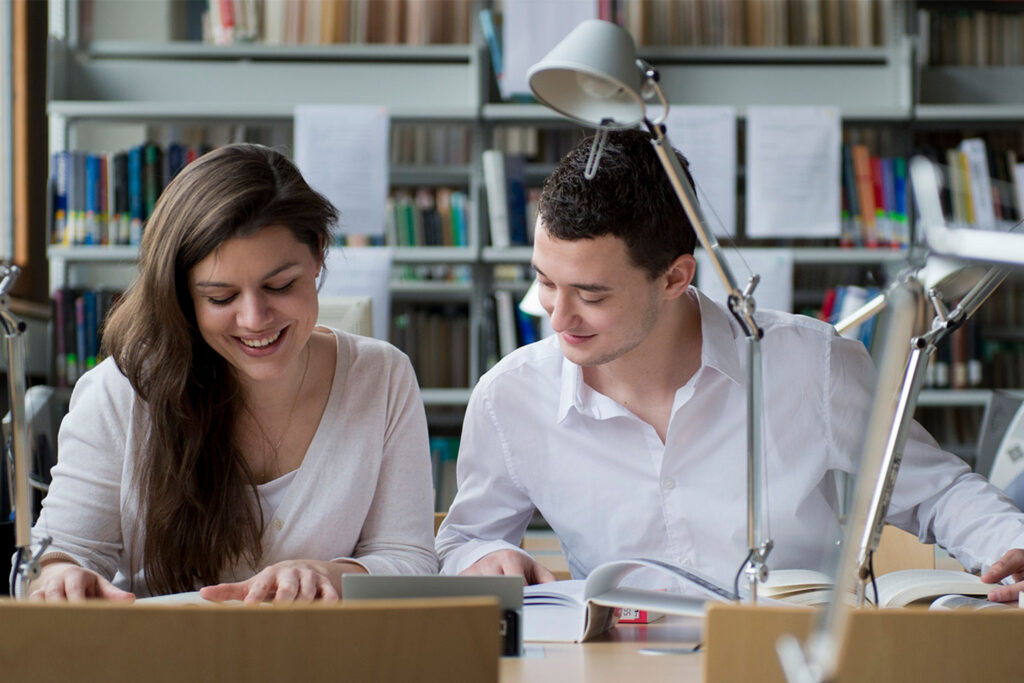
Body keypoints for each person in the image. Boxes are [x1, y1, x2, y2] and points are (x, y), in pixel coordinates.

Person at [436, 129, 1024, 601]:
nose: (558, 316)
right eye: (544, 281)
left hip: (790, 658)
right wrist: (482, 559)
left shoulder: (808, 363)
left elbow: (936, 492)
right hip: (618, 667)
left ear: (674, 278)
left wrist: (1012, 548)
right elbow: (465, 541)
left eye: (591, 295)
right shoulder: (509, 396)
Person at [24, 143, 438, 602]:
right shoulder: (122, 390)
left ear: (318, 253)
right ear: (184, 295)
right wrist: (58, 576)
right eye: (220, 298)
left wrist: (333, 573)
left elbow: (410, 558)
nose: (254, 318)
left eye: (280, 285)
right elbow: (63, 552)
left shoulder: (381, 377)